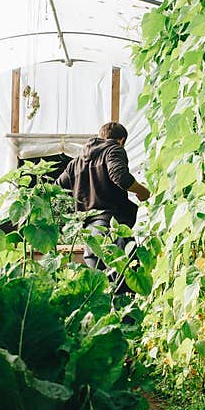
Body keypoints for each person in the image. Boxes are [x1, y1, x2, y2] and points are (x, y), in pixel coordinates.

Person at [55, 122, 150, 291]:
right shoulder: (113, 149)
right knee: (125, 287)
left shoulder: (76, 162)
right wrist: (142, 191)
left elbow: (57, 187)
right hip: (112, 230)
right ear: (121, 140)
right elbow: (120, 176)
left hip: (89, 235)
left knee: (101, 291)